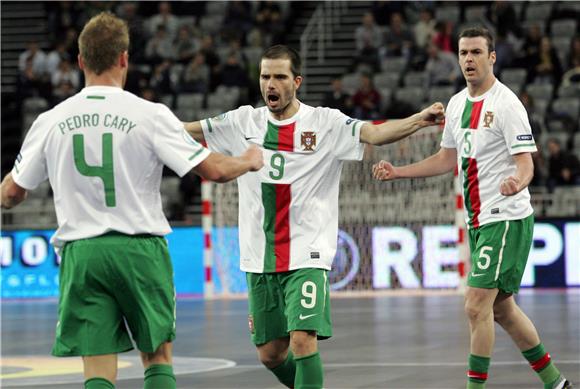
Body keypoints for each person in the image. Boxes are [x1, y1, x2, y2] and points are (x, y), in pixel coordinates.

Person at [0, 12, 263, 389]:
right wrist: (249, 160)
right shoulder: (149, 114)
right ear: (124, 59)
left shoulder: (51, 120)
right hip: (140, 250)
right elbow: (214, 171)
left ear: (80, 62)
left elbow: (11, 193)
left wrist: (8, 188)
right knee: (157, 357)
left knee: (97, 368)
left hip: (82, 253)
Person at [184, 44, 444, 389]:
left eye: (279, 76)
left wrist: (418, 120)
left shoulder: (325, 122)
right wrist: (147, 126)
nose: (270, 84)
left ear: (297, 82)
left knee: (302, 339)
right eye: (265, 76)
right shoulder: (241, 121)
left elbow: (375, 133)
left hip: (307, 251)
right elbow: (189, 130)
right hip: (259, 255)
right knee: (270, 354)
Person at [372, 27, 572, 389]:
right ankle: (555, 382)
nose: (468, 59)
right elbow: (446, 159)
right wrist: (398, 172)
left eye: (477, 52)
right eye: (464, 52)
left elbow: (526, 163)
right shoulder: (456, 104)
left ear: (492, 57)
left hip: (506, 218)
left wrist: (518, 182)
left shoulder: (507, 104)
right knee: (502, 310)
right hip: (478, 220)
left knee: (475, 305)